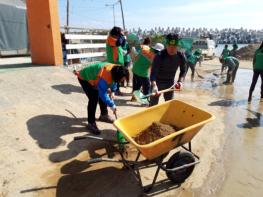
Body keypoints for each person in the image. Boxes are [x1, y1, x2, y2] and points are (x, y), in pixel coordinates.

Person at [75, 62, 129, 134]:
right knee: (94, 98)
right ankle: (91, 123)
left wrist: (113, 91)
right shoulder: (104, 77)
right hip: (85, 78)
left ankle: (104, 115)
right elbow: (103, 94)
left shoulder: (118, 69)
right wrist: (111, 105)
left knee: (101, 93)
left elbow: (115, 82)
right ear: (117, 76)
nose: (122, 81)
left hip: (97, 77)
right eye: (122, 79)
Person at [149, 33, 186, 106]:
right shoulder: (159, 56)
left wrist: (180, 81)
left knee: (169, 105)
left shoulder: (181, 56)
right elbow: (153, 73)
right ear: (166, 45)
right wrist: (154, 85)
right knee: (153, 106)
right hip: (157, 83)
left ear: (178, 46)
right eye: (169, 46)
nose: (171, 49)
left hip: (170, 84)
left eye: (174, 46)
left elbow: (183, 71)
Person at [106, 26, 126, 95]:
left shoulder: (116, 38)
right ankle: (114, 90)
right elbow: (119, 43)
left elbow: (123, 44)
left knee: (118, 76)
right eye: (118, 35)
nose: (119, 36)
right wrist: (122, 36)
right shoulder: (110, 38)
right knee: (114, 76)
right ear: (115, 34)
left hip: (118, 61)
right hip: (113, 61)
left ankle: (116, 89)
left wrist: (122, 36)